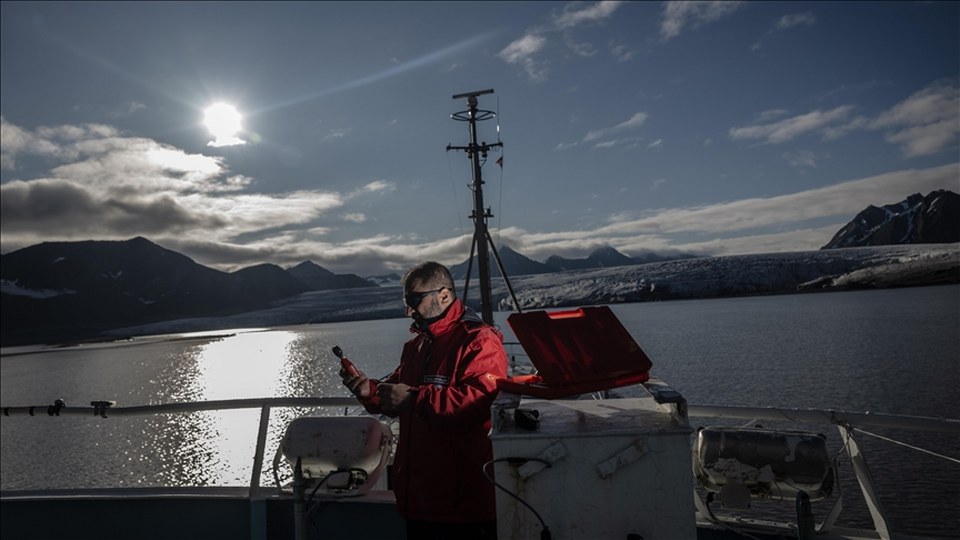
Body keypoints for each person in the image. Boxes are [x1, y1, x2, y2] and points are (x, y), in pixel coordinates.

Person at [340, 261, 507, 540]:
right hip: (420, 502)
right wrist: (368, 391)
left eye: (415, 300)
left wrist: (414, 400)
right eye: (407, 301)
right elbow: (397, 391)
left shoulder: (478, 340)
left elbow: (478, 401)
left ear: (443, 295)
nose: (409, 310)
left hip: (463, 506)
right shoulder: (418, 345)